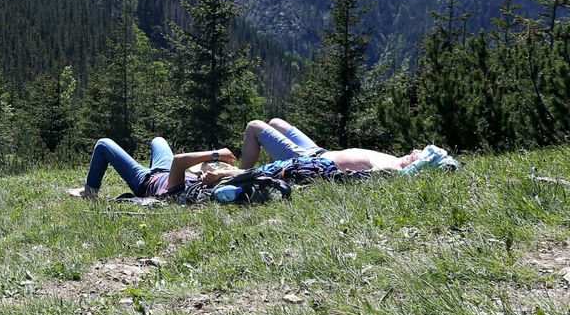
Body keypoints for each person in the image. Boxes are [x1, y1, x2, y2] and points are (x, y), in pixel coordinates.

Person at [239, 118, 459, 173]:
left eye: (422, 154)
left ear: (420, 165)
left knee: (254, 127)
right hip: (319, 151)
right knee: (275, 122)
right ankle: (276, 166)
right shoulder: (397, 160)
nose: (417, 150)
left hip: (311, 160)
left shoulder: (394, 168)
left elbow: (381, 174)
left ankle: (243, 173)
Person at [66, 137, 239, 200]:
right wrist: (220, 173)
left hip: (146, 181)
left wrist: (217, 154)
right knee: (158, 140)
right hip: (166, 171)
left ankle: (89, 191)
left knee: (103, 144)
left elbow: (179, 161)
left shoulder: (181, 193)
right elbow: (245, 172)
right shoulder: (209, 185)